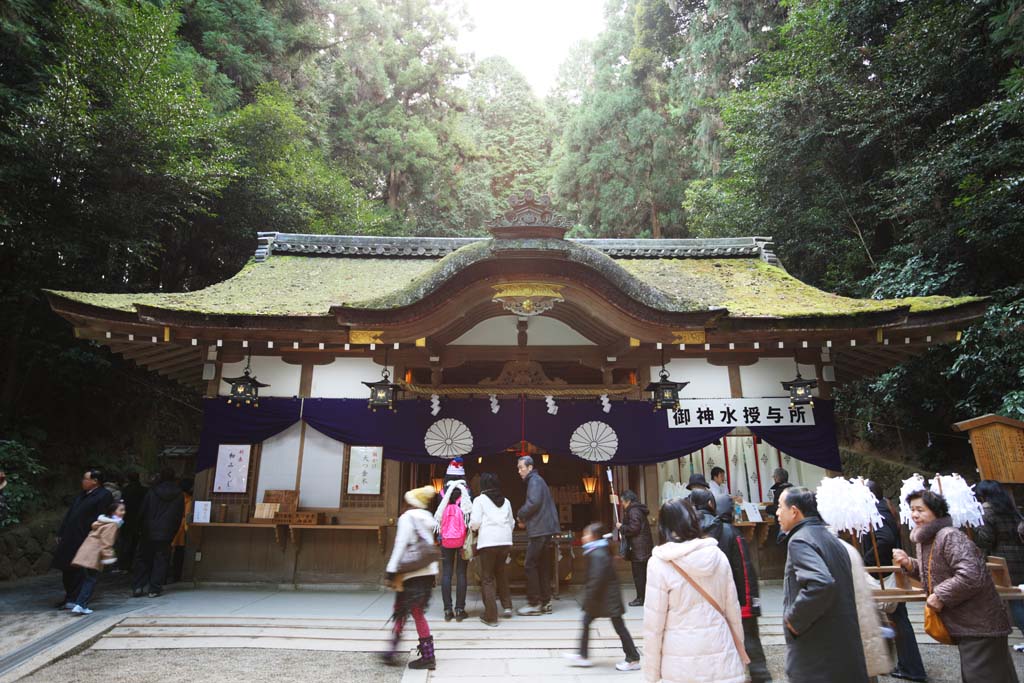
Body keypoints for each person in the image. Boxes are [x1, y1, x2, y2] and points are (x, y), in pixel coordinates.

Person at [893, 489, 1018, 683]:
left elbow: (971, 575)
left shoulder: (949, 536)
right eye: (912, 509)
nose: (915, 515)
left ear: (936, 511)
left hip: (980, 622)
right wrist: (911, 565)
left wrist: (939, 596)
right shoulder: (928, 538)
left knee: (983, 676)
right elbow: (936, 572)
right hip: (968, 623)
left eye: (920, 510)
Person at [644, 497, 748, 683]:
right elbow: (733, 610)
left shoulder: (659, 563)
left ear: (664, 526)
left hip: (680, 661)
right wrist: (738, 649)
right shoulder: (717, 556)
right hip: (720, 652)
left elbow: (654, 626)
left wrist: (651, 675)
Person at [777, 486, 869, 683]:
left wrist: (794, 620)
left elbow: (821, 583)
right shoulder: (831, 538)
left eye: (780, 507)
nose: (777, 513)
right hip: (841, 643)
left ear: (794, 511)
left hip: (817, 648)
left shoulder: (799, 540)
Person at [858, 480, 926, 682]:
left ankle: (911, 667)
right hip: (886, 572)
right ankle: (906, 664)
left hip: (884, 573)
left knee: (897, 618)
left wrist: (866, 562)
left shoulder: (879, 511)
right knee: (896, 618)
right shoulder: (883, 509)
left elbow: (885, 540)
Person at [564, 522, 641, 671]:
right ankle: (583, 655)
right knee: (590, 622)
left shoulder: (597, 553)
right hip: (605, 597)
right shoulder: (598, 550)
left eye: (586, 534)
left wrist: (588, 598)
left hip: (605, 598)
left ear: (593, 537)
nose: (583, 537)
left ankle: (633, 658)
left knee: (619, 627)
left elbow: (596, 579)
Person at [713, 492, 771, 683]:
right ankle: (757, 674)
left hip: (737, 597)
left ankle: (758, 675)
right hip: (741, 596)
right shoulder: (732, 533)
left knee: (746, 639)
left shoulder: (720, 533)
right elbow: (746, 569)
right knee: (750, 637)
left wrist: (746, 601)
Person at [382, 485, 440, 670]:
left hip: (411, 572)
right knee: (410, 610)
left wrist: (391, 569)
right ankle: (396, 651)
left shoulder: (407, 518)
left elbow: (400, 544)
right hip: (427, 572)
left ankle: (425, 656)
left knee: (406, 610)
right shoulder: (428, 518)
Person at [52, 470, 114, 609]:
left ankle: (75, 598)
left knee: (80, 570)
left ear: (95, 481)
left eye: (85, 479)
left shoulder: (104, 495)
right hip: (70, 536)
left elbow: (102, 517)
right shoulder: (82, 495)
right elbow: (70, 514)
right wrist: (61, 532)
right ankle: (69, 596)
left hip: (85, 536)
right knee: (67, 568)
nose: (82, 481)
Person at [974, 479, 1024, 644]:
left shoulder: (988, 514)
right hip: (1021, 557)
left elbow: (987, 540)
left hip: (1003, 561)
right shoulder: (1013, 511)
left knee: (1015, 600)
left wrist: (976, 527)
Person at [515, 455, 559, 615]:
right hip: (545, 528)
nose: (519, 471)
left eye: (521, 467)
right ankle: (546, 602)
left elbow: (533, 503)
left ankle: (534, 603)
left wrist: (520, 515)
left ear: (530, 467)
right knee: (542, 565)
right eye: (518, 468)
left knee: (530, 564)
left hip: (540, 530)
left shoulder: (534, 481)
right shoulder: (538, 481)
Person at [470, 472, 514, 626]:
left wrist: (473, 528)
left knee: (487, 578)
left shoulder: (479, 500)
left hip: (488, 542)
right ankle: (507, 607)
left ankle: (491, 616)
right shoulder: (506, 501)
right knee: (501, 573)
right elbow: (511, 522)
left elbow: (475, 523)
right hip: (505, 541)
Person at [132, 468, 184, 598]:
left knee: (143, 558)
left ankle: (138, 586)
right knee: (161, 559)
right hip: (166, 531)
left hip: (148, 529)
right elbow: (178, 515)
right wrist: (173, 531)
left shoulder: (152, 492)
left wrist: (139, 526)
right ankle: (154, 588)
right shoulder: (179, 494)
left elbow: (143, 510)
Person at [68, 501, 125, 615]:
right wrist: (109, 556)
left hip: (87, 551)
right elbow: (106, 542)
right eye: (121, 510)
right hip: (95, 553)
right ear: (113, 512)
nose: (123, 512)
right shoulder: (113, 524)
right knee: (91, 579)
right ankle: (80, 605)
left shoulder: (101, 522)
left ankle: (80, 604)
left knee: (87, 578)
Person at [434, 458, 472, 621]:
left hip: (446, 538)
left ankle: (447, 610)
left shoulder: (442, 493)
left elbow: (437, 515)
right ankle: (459, 609)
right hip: (462, 539)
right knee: (462, 573)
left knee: (447, 573)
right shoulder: (467, 493)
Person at [618, 489, 653, 606]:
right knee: (643, 575)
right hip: (643, 548)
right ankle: (645, 597)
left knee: (639, 576)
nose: (622, 505)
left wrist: (621, 527)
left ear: (628, 501)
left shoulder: (633, 511)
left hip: (639, 549)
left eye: (623, 502)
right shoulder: (637, 510)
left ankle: (641, 598)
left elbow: (634, 529)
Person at [117, 470, 147, 573]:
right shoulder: (144, 491)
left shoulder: (126, 490)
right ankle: (135, 564)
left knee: (125, 544)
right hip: (139, 520)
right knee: (137, 544)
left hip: (127, 519)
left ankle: (125, 565)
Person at [171, 478, 194, 583]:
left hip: (170, 527)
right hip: (181, 529)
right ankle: (176, 575)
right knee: (178, 553)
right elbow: (188, 515)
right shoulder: (188, 500)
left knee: (165, 553)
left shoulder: (174, 497)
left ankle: (164, 576)